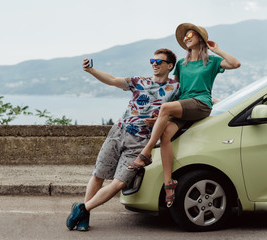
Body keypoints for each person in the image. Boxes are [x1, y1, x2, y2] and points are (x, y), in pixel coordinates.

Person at [127, 23, 241, 208]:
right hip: (183, 106)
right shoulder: (181, 64)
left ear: (200, 39)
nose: (186, 38)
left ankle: (145, 153)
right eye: (185, 37)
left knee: (165, 109)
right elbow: (176, 91)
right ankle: (168, 183)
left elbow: (235, 64)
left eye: (190, 35)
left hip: (201, 104)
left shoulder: (211, 61)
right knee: (165, 135)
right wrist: (160, 117)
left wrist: (217, 49)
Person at [66, 48, 180, 231]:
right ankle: (84, 215)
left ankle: (82, 208)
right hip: (119, 132)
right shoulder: (139, 81)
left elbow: (183, 111)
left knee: (119, 182)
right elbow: (112, 80)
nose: (154, 64)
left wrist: (161, 121)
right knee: (98, 175)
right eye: (152, 60)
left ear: (170, 66)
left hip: (140, 143)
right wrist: (91, 71)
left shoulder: (175, 88)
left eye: (159, 61)